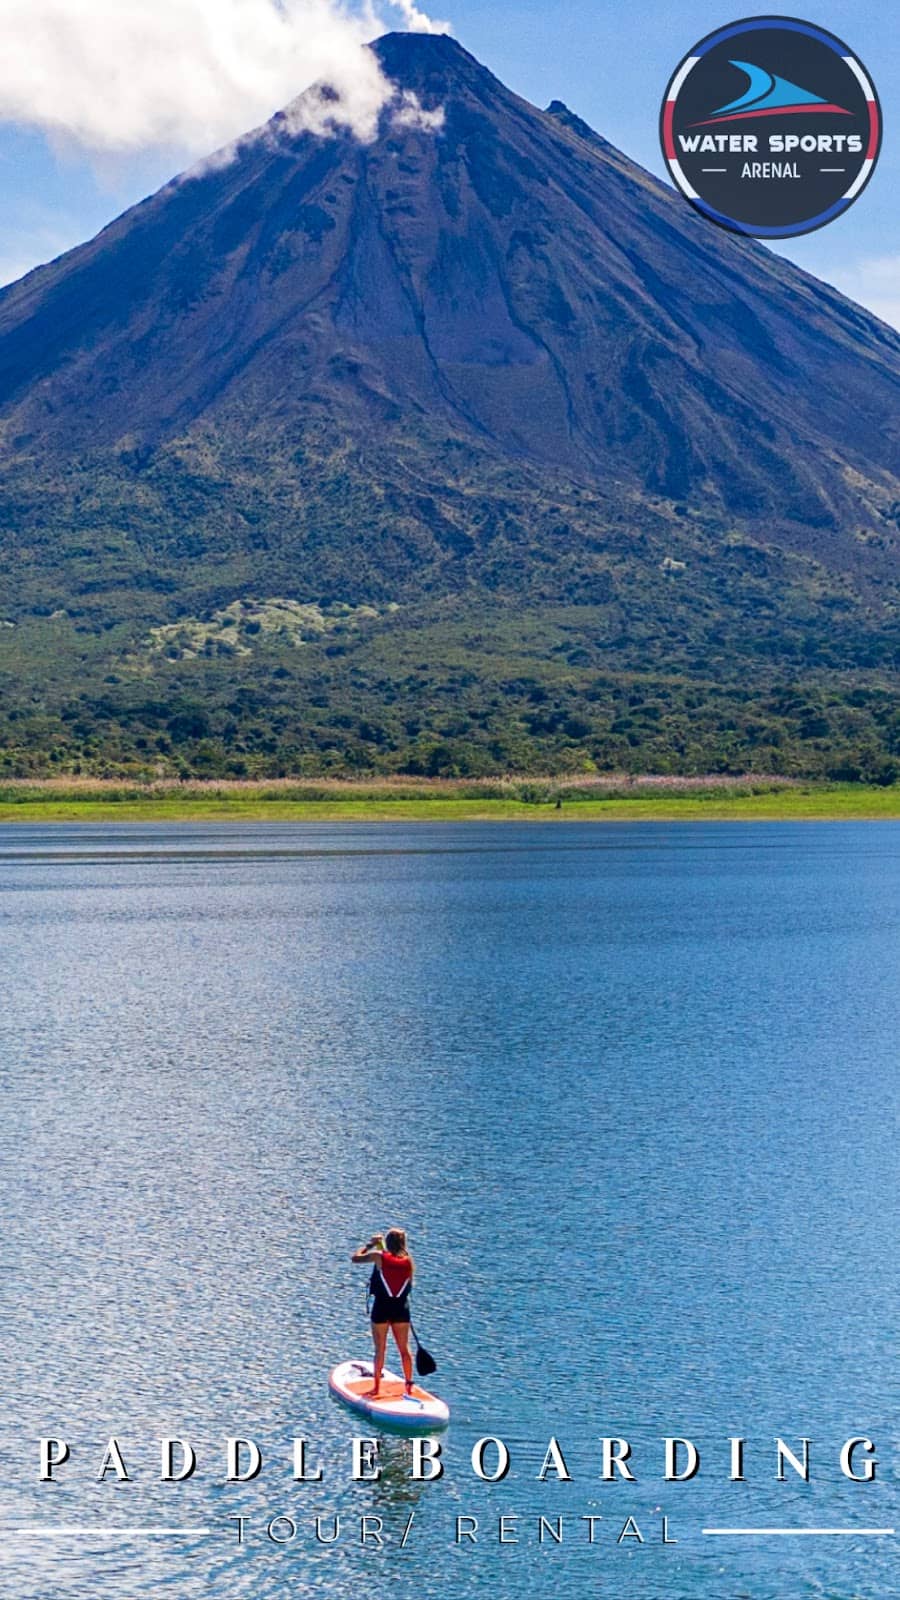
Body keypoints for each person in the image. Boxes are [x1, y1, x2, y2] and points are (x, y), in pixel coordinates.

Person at [351, 1227, 415, 1396]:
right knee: (404, 1349)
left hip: (381, 1308)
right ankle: (409, 1386)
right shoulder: (408, 1262)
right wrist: (382, 1248)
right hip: (401, 1309)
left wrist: (370, 1244)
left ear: (387, 1242)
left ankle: (376, 1388)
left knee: (380, 1349)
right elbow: (394, 1267)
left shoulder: (379, 1256)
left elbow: (355, 1258)